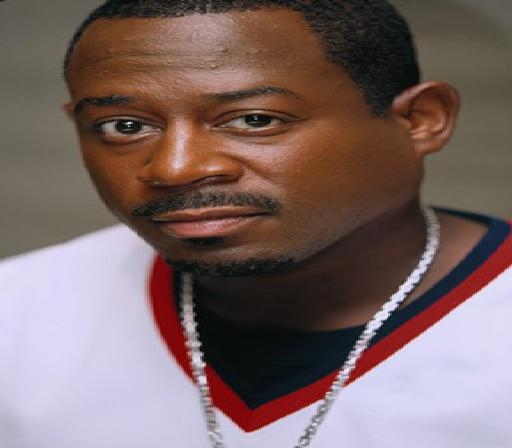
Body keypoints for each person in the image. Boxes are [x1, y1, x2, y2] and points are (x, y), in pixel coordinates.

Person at [0, 0, 510, 447]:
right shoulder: (18, 312)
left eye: (255, 119)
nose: (174, 168)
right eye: (125, 126)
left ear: (420, 120)